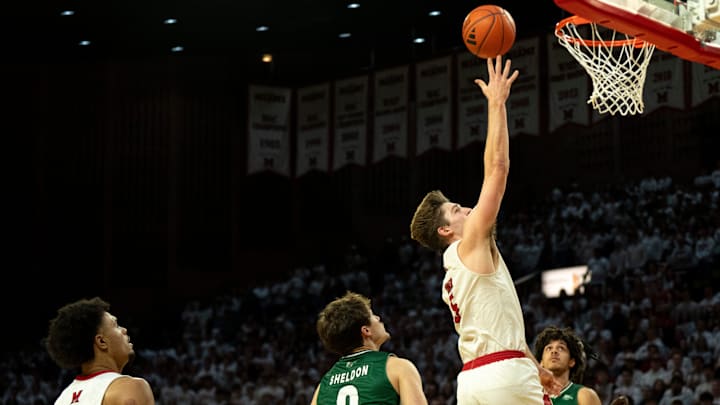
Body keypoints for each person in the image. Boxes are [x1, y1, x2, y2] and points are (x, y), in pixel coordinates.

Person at [409, 55, 561, 404]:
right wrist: (497, 104)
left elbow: (498, 323)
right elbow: (497, 168)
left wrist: (534, 364)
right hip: (504, 373)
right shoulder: (472, 241)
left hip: (472, 381)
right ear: (447, 230)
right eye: (457, 210)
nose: (466, 208)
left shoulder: (450, 275)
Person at [310, 291, 427, 405]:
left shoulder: (323, 387)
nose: (378, 318)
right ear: (366, 331)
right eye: (372, 315)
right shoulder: (398, 368)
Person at [45, 297, 155, 405]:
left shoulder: (62, 399)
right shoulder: (131, 388)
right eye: (116, 325)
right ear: (101, 341)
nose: (124, 330)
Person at [534, 326, 602, 405]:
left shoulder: (584, 395)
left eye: (561, 348)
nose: (554, 351)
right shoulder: (530, 394)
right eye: (549, 348)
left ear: (571, 362)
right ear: (541, 363)